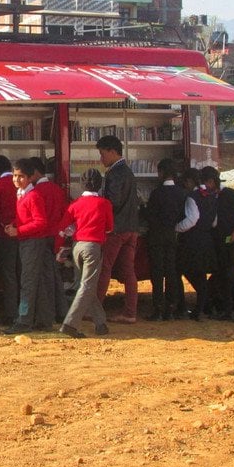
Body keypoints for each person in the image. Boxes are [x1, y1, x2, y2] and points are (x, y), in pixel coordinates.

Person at [57, 169, 114, 338]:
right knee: (87, 286)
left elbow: (63, 228)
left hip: (77, 247)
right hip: (93, 247)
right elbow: (110, 228)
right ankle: (70, 324)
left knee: (84, 285)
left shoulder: (75, 204)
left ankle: (100, 323)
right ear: (100, 184)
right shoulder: (104, 204)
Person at [95, 135, 140, 324]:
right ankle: (130, 312)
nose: (101, 158)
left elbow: (113, 202)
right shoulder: (127, 171)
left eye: (102, 154)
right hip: (132, 227)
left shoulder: (115, 173)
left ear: (113, 152)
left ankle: (96, 310)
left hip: (116, 229)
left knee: (104, 268)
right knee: (129, 271)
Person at [3, 158, 50, 334]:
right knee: (37, 281)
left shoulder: (33, 196)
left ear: (30, 177)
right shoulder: (23, 194)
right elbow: (29, 218)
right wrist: (15, 224)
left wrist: (18, 230)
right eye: (14, 176)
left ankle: (24, 321)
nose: (16, 180)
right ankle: (43, 320)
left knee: (28, 282)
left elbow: (40, 222)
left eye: (21, 176)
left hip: (32, 242)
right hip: (29, 241)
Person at [201, 166, 234, 323]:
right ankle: (227, 310)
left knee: (231, 276)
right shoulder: (210, 196)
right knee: (223, 276)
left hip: (231, 241)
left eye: (207, 183)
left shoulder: (229, 194)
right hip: (218, 242)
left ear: (212, 181)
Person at [144, 158, 188, 320]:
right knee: (171, 271)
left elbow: (149, 215)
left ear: (161, 173)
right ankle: (170, 307)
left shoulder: (157, 193)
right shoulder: (181, 193)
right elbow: (183, 215)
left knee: (157, 273)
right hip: (172, 235)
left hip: (156, 236)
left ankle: (157, 308)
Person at [175, 167, 218, 321]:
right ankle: (202, 307)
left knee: (181, 271)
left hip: (192, 241)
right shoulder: (211, 196)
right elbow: (214, 222)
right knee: (200, 276)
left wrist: (177, 228)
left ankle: (185, 307)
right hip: (206, 239)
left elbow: (192, 220)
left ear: (190, 181)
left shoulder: (192, 197)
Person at [30, 156, 67, 328]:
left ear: (35, 172)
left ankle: (48, 314)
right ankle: (62, 312)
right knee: (55, 275)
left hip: (42, 237)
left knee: (44, 278)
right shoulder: (57, 189)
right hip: (56, 237)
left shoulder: (36, 192)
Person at [0, 155, 20, 325]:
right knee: (23, 273)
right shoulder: (20, 182)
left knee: (9, 274)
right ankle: (26, 310)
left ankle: (11, 312)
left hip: (5, 233)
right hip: (23, 232)